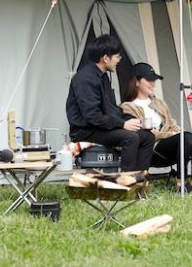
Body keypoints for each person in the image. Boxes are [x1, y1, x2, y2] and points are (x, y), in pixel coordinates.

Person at [65, 34, 154, 172]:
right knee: (131, 138)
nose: (119, 60)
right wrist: (123, 124)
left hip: (100, 127)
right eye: (117, 56)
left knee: (148, 137)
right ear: (105, 58)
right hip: (85, 130)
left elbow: (112, 110)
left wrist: (134, 121)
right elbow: (92, 117)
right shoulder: (85, 79)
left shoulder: (103, 77)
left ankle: (140, 181)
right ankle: (127, 182)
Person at [121, 62, 192, 191]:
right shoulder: (128, 106)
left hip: (170, 144)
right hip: (152, 149)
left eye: (154, 80)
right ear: (137, 82)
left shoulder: (159, 103)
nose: (153, 83)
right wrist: (168, 134)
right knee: (186, 137)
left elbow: (172, 124)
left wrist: (172, 133)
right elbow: (145, 134)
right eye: (149, 79)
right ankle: (180, 184)